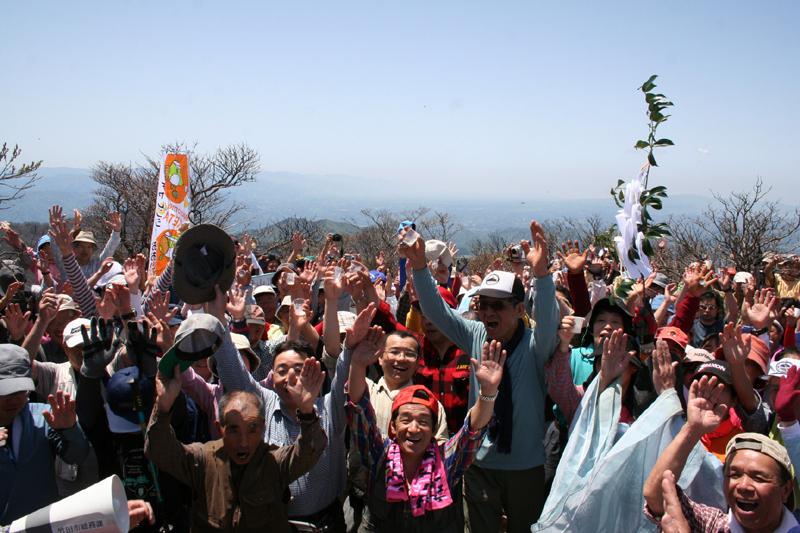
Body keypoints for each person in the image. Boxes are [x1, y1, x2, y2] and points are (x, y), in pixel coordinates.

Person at [402, 220, 559, 532]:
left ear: (518, 309)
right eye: (483, 304)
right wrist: (419, 268)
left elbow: (549, 318)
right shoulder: (475, 334)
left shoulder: (535, 344)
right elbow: (436, 312)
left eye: (498, 305)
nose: (488, 313)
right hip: (479, 463)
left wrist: (542, 276)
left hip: (526, 466)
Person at [212, 286, 362, 531]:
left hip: (327, 522)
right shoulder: (263, 401)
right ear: (272, 376)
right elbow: (233, 371)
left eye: (299, 369)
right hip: (273, 522)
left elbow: (343, 369)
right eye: (281, 370)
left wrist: (352, 346)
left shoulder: (329, 408)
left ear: (314, 372)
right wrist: (220, 320)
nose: (290, 377)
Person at [145, 361, 327, 532]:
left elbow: (310, 450)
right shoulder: (203, 459)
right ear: (219, 428)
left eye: (252, 429)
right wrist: (162, 408)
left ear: (263, 427)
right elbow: (160, 450)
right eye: (233, 430)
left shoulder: (274, 461)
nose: (243, 442)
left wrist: (307, 412)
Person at [347, 337, 506, 532]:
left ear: (433, 429)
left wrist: (488, 391)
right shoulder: (379, 456)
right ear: (393, 427)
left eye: (423, 422)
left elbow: (471, 432)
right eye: (406, 420)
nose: (414, 429)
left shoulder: (446, 460)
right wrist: (357, 363)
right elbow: (359, 411)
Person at [644, 375, 798, 532]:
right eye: (734, 475)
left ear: (785, 489)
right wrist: (692, 430)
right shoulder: (713, 525)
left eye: (758, 477)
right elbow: (655, 497)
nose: (743, 486)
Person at [0, 344, 90, 523]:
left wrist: (70, 430)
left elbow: (77, 456)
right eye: (7, 391)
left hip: (40, 524)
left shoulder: (43, 416)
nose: (15, 399)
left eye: (21, 390)